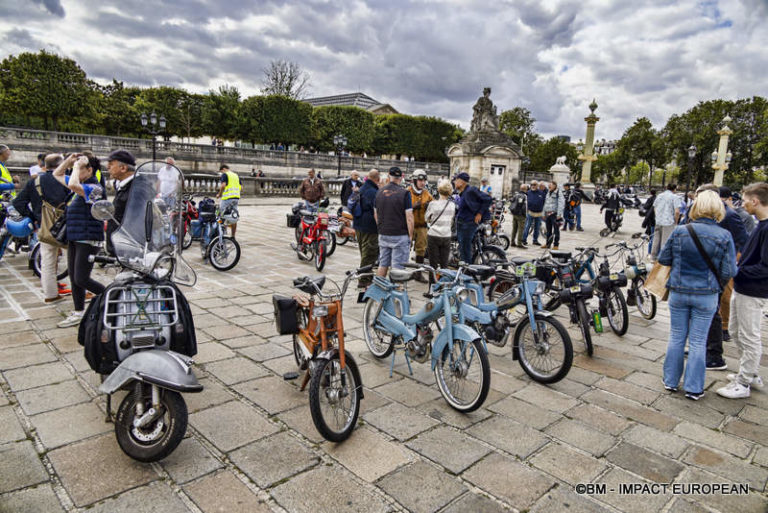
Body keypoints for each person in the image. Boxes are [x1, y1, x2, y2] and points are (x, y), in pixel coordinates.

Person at [659, 191, 737, 401]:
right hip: (706, 294)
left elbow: (663, 258)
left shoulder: (681, 231)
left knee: (676, 337)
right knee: (698, 341)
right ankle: (694, 388)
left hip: (679, 291)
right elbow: (730, 271)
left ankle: (671, 381)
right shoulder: (724, 235)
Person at [716, 183, 768, 399]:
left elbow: (765, 266)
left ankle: (744, 383)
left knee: (749, 336)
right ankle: (750, 372)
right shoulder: (761, 225)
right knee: (737, 332)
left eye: (745, 199)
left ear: (755, 201)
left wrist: (738, 270)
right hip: (744, 287)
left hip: (753, 290)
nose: (742, 203)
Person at [52, 154, 106, 328]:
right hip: (75, 236)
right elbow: (57, 175)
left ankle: (110, 296)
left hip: (88, 238)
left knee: (82, 278)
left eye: (81, 168)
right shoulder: (81, 184)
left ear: (89, 170)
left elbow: (72, 184)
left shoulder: (95, 188)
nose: (75, 170)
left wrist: (76, 167)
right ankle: (78, 312)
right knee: (75, 279)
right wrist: (70, 161)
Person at [13, 153, 72, 302]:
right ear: (61, 165)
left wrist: (34, 218)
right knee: (75, 260)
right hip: (67, 226)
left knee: (47, 262)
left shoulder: (35, 181)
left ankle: (51, 295)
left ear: (45, 165)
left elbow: (18, 203)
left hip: (44, 226)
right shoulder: (66, 180)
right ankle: (82, 292)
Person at [374, 167, 413, 276]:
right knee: (398, 269)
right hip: (400, 234)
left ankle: (378, 290)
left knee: (383, 264)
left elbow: (376, 214)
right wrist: (410, 236)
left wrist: (381, 227)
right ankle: (397, 291)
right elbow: (409, 217)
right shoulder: (405, 193)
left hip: (384, 233)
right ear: (401, 178)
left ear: (388, 176)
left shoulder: (379, 192)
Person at [454, 172, 492, 264]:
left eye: (456, 180)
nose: (454, 182)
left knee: (465, 249)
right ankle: (463, 265)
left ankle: (467, 270)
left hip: (468, 224)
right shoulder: (463, 193)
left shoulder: (471, 190)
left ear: (462, 182)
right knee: (463, 248)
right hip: (462, 223)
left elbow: (488, 198)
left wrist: (480, 213)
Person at [105, 150, 137, 252]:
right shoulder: (126, 186)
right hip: (120, 246)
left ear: (123, 168)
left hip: (128, 249)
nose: (108, 167)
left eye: (111, 164)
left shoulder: (136, 188)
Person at [353, 169, 380, 290]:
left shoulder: (362, 188)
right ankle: (363, 280)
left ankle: (367, 276)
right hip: (370, 226)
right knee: (369, 253)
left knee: (364, 252)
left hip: (358, 224)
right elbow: (376, 210)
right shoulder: (373, 192)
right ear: (377, 179)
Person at [425, 179, 456, 273]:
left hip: (433, 235)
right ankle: (443, 286)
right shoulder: (452, 205)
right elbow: (451, 220)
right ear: (450, 192)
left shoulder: (432, 204)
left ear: (438, 190)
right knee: (444, 264)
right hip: (446, 235)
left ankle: (432, 286)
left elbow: (426, 219)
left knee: (433, 265)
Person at [408, 169, 434, 280]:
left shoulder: (426, 194)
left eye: (424, 181)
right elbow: (400, 208)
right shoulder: (407, 192)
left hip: (422, 225)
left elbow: (434, 206)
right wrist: (413, 207)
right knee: (404, 247)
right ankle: (399, 270)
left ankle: (417, 273)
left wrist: (430, 206)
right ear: (414, 180)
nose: (422, 183)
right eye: (420, 180)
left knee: (421, 249)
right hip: (409, 224)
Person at [650, 183, 682, 260]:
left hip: (659, 220)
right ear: (674, 189)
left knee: (656, 239)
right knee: (665, 241)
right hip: (668, 221)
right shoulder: (675, 197)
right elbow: (677, 211)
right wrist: (676, 221)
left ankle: (653, 257)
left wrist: (657, 216)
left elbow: (655, 207)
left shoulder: (659, 196)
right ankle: (662, 258)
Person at [216, 164, 241, 239]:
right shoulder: (236, 175)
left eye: (221, 171)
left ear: (223, 169)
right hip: (236, 198)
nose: (221, 173)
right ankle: (233, 236)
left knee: (220, 215)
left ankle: (222, 234)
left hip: (227, 198)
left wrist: (219, 194)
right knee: (234, 217)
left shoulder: (225, 174)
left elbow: (223, 185)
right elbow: (241, 187)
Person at [542, 181, 564, 250]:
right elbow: (545, 203)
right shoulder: (548, 193)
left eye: (550, 185)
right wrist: (543, 213)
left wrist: (559, 214)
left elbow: (561, 203)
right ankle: (548, 244)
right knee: (548, 230)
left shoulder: (558, 193)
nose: (549, 186)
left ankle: (556, 245)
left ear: (555, 186)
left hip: (555, 214)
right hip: (548, 214)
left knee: (556, 230)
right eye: (548, 186)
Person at [522, 180, 546, 246]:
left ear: (537, 186)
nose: (533, 186)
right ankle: (524, 239)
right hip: (530, 212)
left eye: (535, 184)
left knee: (537, 227)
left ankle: (535, 240)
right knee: (527, 226)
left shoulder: (541, 193)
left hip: (539, 213)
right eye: (532, 184)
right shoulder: (528, 193)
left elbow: (544, 201)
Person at [509, 183, 528, 248]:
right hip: (521, 215)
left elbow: (511, 201)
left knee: (514, 228)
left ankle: (512, 241)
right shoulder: (525, 196)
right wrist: (525, 215)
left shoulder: (516, 195)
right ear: (525, 189)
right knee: (521, 229)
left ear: (520, 188)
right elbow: (524, 207)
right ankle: (519, 243)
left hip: (515, 214)